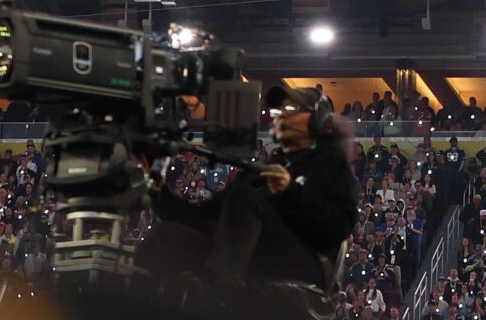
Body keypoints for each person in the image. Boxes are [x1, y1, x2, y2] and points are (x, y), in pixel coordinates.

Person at [143, 84, 358, 289]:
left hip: (302, 263)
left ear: (320, 120)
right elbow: (205, 217)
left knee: (244, 198)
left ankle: (218, 292)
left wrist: (291, 191)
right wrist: (155, 192)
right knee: (164, 236)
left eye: (292, 109)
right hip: (248, 256)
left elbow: (337, 227)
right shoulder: (262, 171)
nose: (282, 116)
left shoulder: (331, 163)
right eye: (278, 111)